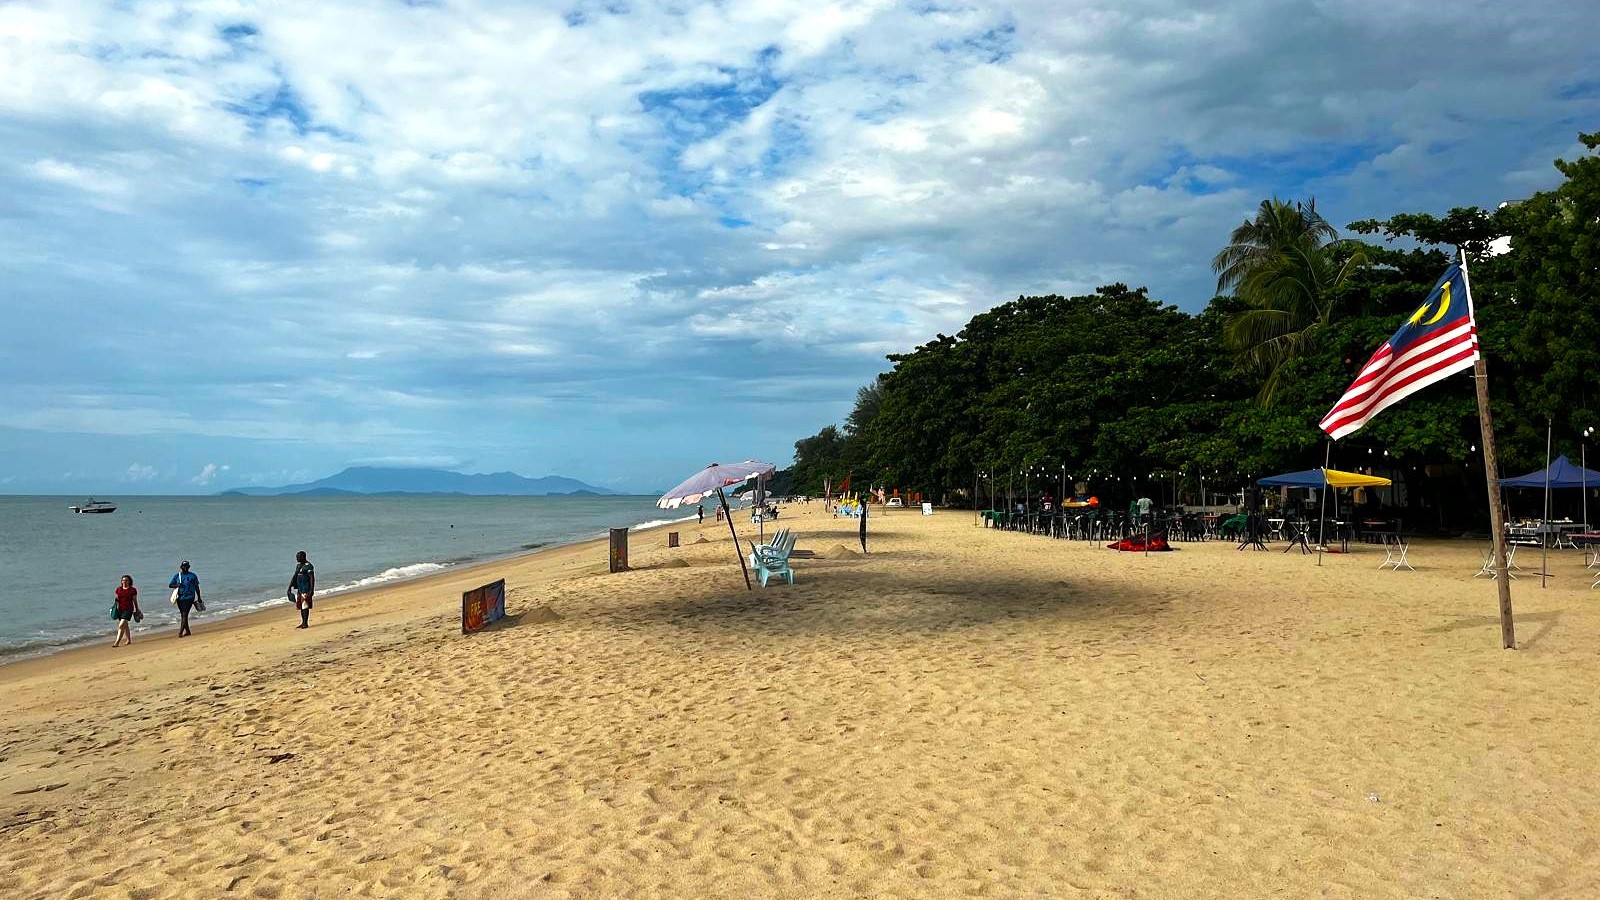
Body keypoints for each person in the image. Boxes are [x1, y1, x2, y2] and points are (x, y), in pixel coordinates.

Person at [168, 561, 202, 637]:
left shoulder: (193, 576)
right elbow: (170, 585)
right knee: (183, 615)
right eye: (183, 567)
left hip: (190, 598)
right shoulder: (177, 575)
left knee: (184, 614)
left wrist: (199, 597)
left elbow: (197, 587)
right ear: (181, 567)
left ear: (188, 567)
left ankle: (180, 632)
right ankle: (188, 631)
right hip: (180, 598)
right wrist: (177, 585)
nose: (184, 568)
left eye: (186, 567)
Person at [112, 575, 141, 647]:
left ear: (129, 581)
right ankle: (129, 640)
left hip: (128, 609)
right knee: (125, 625)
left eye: (126, 580)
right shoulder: (118, 589)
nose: (124, 581)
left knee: (121, 625)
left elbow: (135, 600)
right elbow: (117, 599)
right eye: (123, 580)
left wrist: (137, 609)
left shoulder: (132, 590)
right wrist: (115, 608)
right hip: (120, 609)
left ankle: (117, 642)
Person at [289, 550, 316, 629]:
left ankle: (305, 623)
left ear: (303, 557)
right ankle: (303, 622)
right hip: (300, 589)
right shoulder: (298, 566)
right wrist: (290, 587)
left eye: (298, 557)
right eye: (296, 557)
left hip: (306, 589)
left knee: (305, 606)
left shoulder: (308, 566)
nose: (297, 558)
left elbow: (312, 578)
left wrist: (311, 589)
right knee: (301, 606)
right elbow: (295, 576)